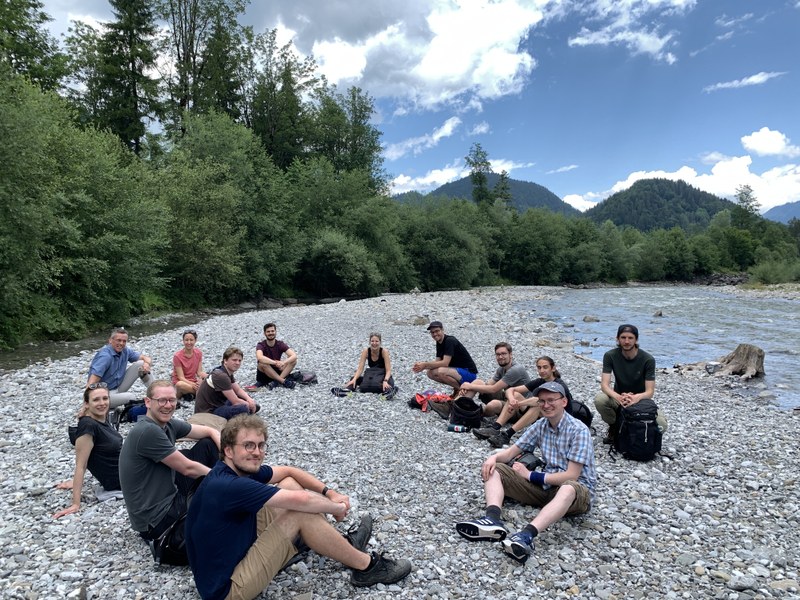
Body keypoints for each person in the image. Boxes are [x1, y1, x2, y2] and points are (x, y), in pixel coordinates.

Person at [185, 414, 413, 599]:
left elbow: (288, 471)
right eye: (248, 445)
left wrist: (330, 493)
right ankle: (367, 567)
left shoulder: (233, 470)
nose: (257, 452)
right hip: (227, 589)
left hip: (228, 558)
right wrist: (336, 509)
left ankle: (338, 543)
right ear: (228, 450)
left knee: (288, 484)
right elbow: (303, 502)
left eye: (261, 445)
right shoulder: (229, 485)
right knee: (300, 513)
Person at [455, 381, 596, 563]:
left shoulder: (579, 430)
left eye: (551, 400)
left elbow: (572, 475)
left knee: (568, 487)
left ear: (564, 402)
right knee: (495, 469)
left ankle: (526, 536)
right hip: (547, 488)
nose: (546, 405)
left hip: (576, 493)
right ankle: (492, 520)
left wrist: (530, 476)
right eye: (542, 401)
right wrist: (493, 458)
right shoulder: (541, 425)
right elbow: (511, 452)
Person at [119, 380, 220, 545]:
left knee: (208, 445)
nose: (168, 405)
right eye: (162, 400)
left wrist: (223, 448)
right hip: (157, 520)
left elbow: (208, 430)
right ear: (148, 402)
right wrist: (228, 479)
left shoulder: (167, 424)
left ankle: (226, 489)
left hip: (170, 494)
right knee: (225, 514)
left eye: (172, 400)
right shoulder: (147, 431)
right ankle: (231, 490)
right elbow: (188, 468)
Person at [53, 383, 123, 519]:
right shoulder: (88, 426)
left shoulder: (101, 418)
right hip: (122, 480)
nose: (102, 403)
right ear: (86, 403)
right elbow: (81, 465)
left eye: (105, 398)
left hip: (128, 469)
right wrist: (75, 504)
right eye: (96, 400)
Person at [473, 355, 575, 448]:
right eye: (539, 368)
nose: (542, 370)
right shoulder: (540, 381)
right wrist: (513, 400)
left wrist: (519, 404)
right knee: (516, 395)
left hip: (559, 420)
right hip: (544, 415)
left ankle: (507, 435)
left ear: (553, 368)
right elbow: (510, 390)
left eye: (545, 367)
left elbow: (540, 401)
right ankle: (495, 428)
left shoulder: (558, 385)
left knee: (538, 405)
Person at [594, 324, 668, 444]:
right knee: (600, 400)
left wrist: (635, 398)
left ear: (636, 339)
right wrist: (618, 396)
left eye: (630, 338)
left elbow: (650, 392)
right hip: (619, 398)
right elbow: (604, 385)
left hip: (641, 400)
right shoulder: (610, 356)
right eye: (623, 337)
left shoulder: (648, 359)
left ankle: (637, 430)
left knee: (662, 426)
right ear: (617, 339)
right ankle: (615, 426)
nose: (626, 341)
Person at [87, 327, 154, 409]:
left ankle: (157, 393)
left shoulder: (125, 351)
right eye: (118, 340)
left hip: (118, 387)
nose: (121, 343)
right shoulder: (105, 357)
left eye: (124, 341)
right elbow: (91, 383)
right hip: (104, 395)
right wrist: (86, 405)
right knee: (131, 397)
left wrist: (146, 364)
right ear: (110, 340)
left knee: (141, 364)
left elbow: (146, 358)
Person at [457, 342, 530, 416]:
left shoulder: (516, 370)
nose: (500, 357)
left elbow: (493, 389)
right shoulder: (501, 369)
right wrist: (467, 388)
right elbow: (488, 384)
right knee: (478, 382)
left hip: (519, 406)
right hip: (507, 397)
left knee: (492, 405)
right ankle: (457, 405)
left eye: (503, 354)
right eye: (498, 354)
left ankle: (474, 413)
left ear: (510, 354)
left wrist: (469, 386)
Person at [412, 320, 477, 399]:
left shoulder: (450, 340)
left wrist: (425, 364)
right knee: (430, 373)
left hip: (469, 373)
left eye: (437, 331)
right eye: (432, 332)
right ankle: (457, 388)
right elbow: (437, 363)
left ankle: (461, 390)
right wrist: (422, 367)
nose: (435, 334)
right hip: (457, 372)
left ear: (442, 330)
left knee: (441, 371)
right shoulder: (439, 342)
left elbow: (445, 363)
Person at [195, 347, 259, 420]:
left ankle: (247, 411)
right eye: (234, 360)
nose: (237, 363)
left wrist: (249, 399)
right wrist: (248, 405)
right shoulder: (221, 376)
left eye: (239, 360)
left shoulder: (225, 371)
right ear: (225, 360)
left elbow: (237, 390)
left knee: (246, 399)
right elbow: (235, 401)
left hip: (218, 404)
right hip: (208, 412)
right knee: (243, 408)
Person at [338, 332, 397, 398]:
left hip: (384, 376)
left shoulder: (384, 352)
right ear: (369, 342)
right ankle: (347, 391)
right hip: (373, 375)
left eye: (376, 341)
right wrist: (354, 379)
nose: (374, 343)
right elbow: (360, 368)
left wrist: (385, 381)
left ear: (380, 342)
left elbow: (388, 370)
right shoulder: (366, 351)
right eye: (372, 341)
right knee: (354, 379)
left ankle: (388, 393)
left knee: (388, 383)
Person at [253, 323, 298, 390]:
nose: (271, 333)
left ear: (275, 332)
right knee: (262, 363)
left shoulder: (280, 344)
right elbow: (259, 357)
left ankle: (276, 382)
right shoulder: (261, 345)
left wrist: (283, 362)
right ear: (264, 333)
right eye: (268, 331)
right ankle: (283, 381)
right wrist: (274, 362)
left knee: (293, 360)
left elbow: (294, 355)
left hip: (277, 371)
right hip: (265, 373)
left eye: (272, 331)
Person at [172, 329, 207, 401]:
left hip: (193, 381)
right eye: (186, 340)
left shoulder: (198, 353)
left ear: (195, 340)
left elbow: (199, 372)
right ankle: (202, 393)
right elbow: (181, 377)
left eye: (191, 340)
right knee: (180, 385)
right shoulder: (177, 356)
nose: (189, 342)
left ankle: (192, 394)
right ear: (183, 341)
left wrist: (211, 377)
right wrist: (193, 385)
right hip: (182, 382)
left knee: (211, 380)